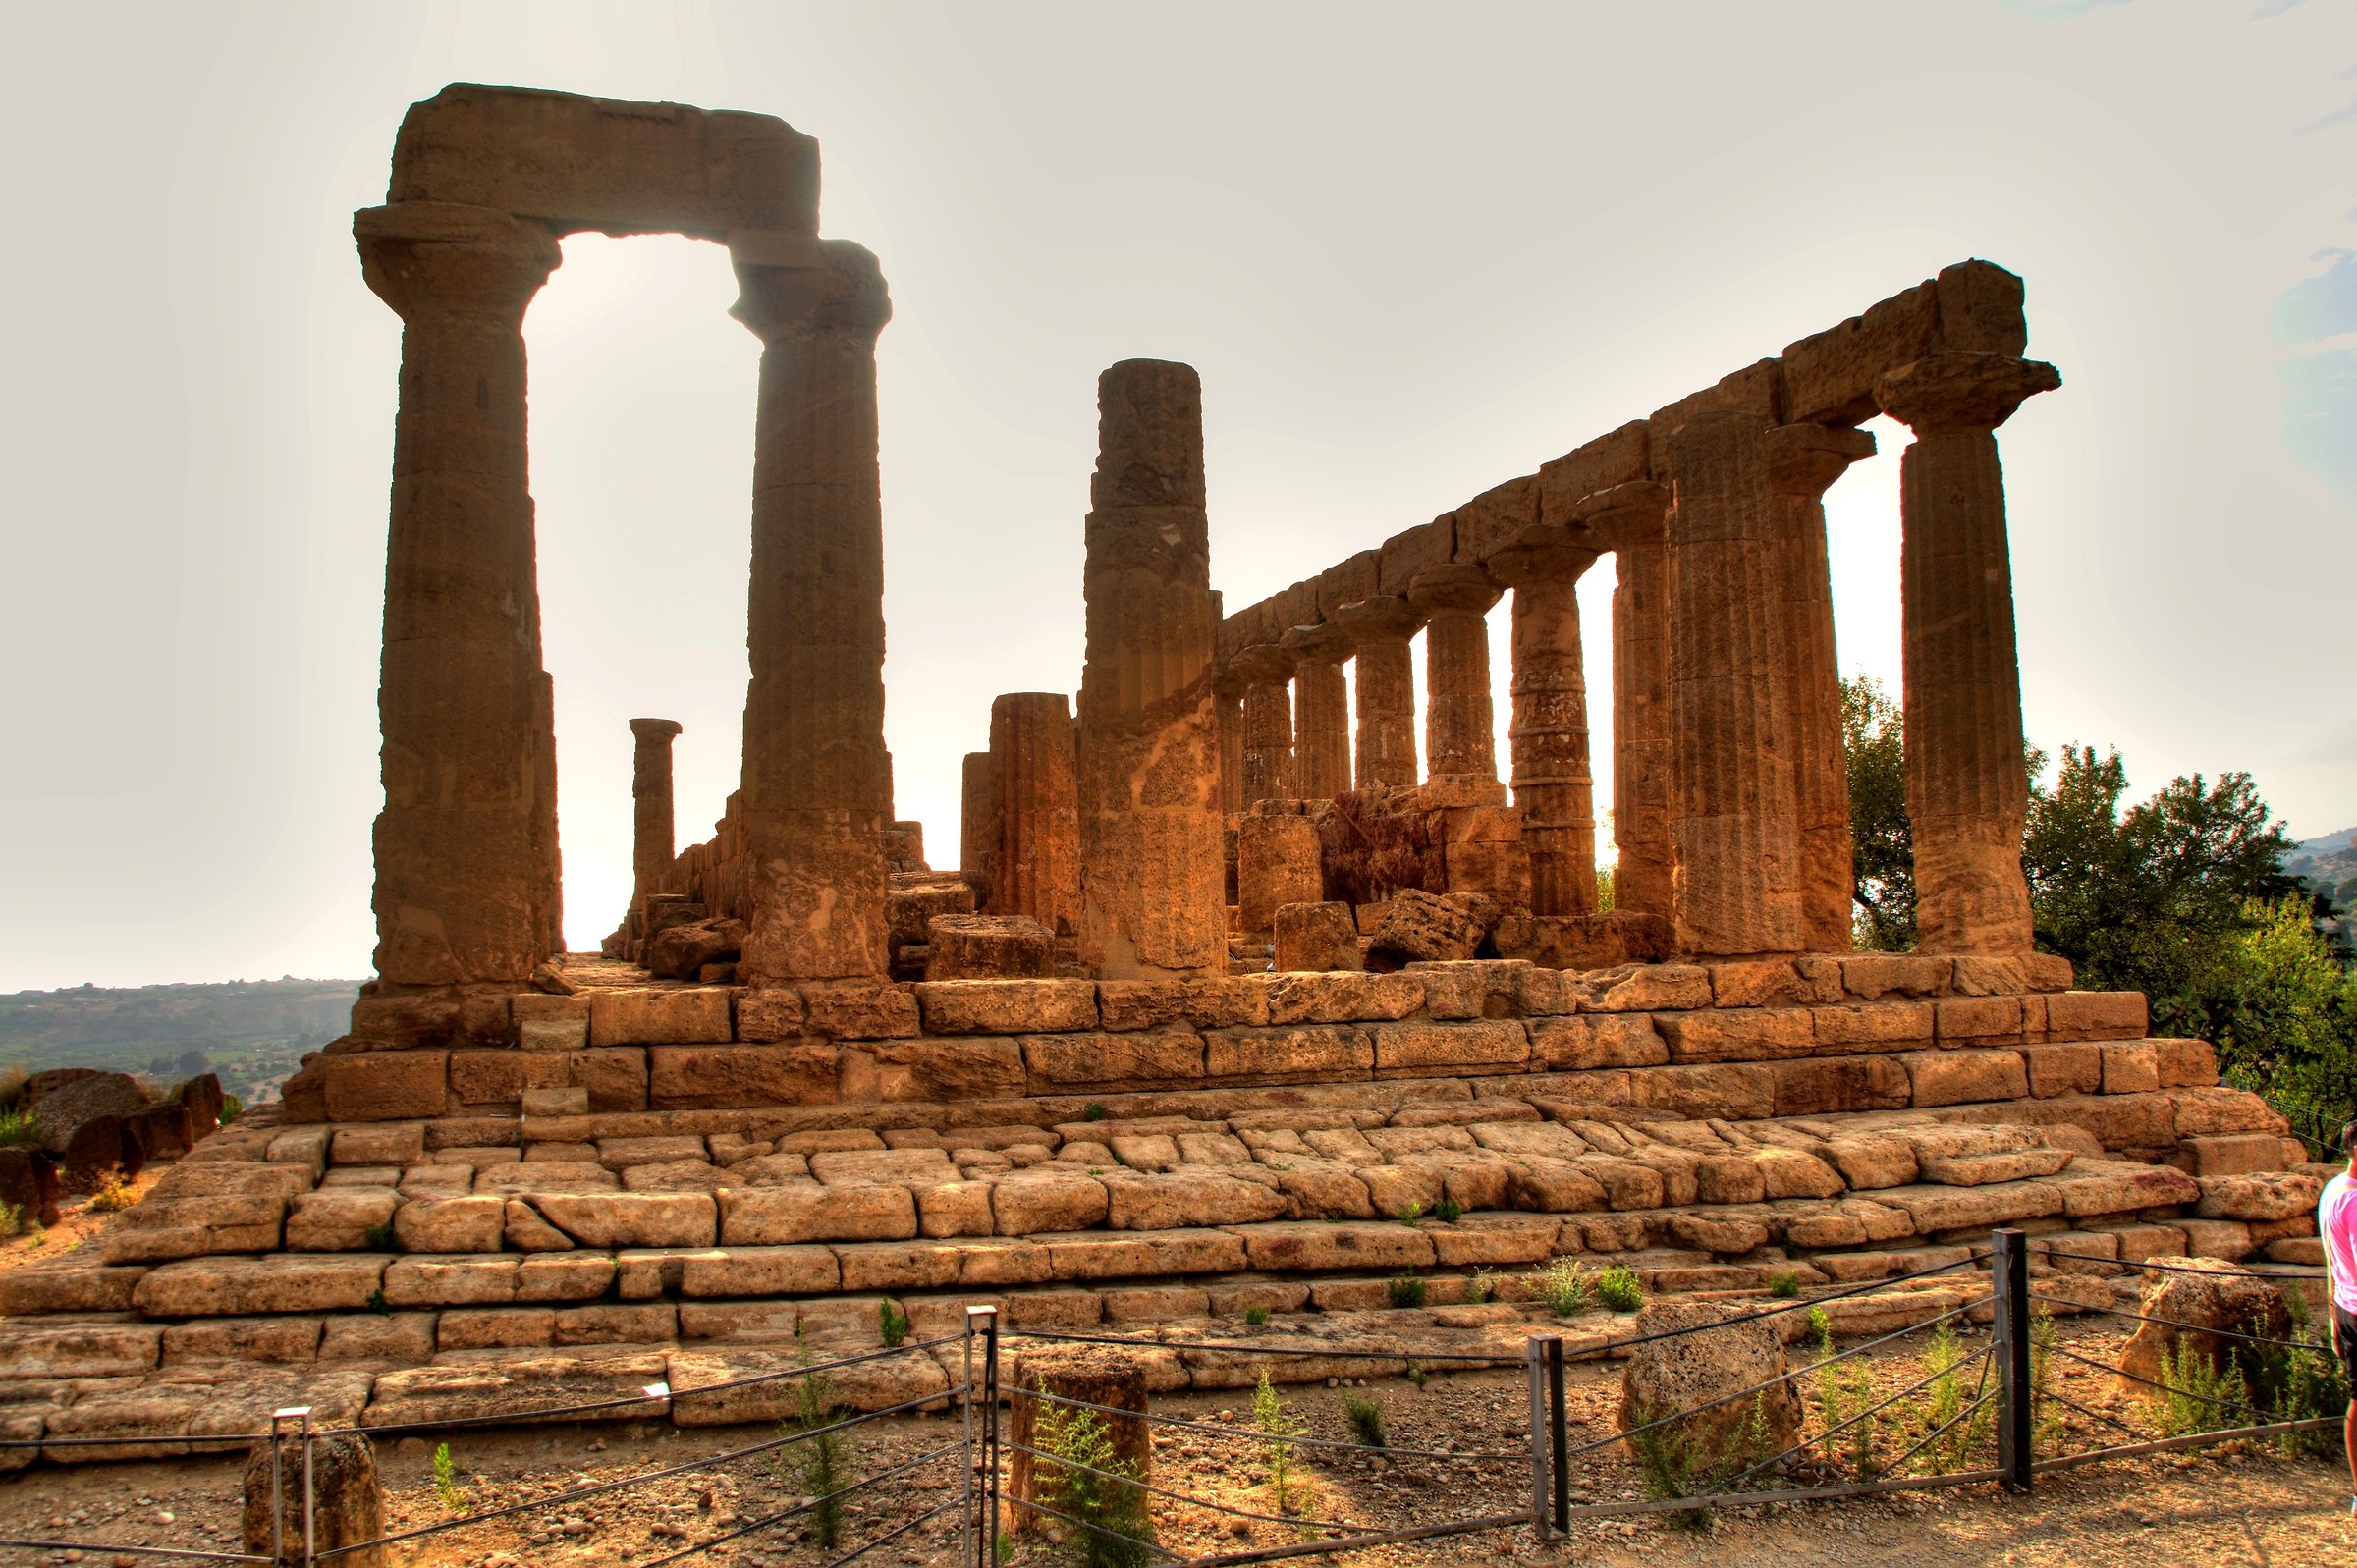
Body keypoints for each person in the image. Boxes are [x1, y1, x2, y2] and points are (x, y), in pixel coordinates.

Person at [2320, 1118, 2357, 1514]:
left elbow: (2330, 1259)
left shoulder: (2332, 1190)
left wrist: (2332, 1313)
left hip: (2346, 1307)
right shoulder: (2356, 1200)